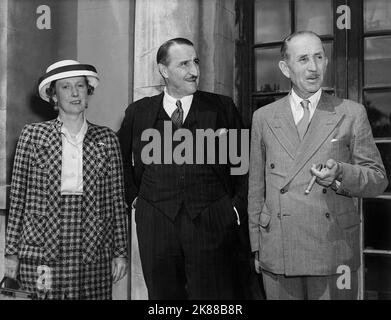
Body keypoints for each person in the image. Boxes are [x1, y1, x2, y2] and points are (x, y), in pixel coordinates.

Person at [248, 31, 388, 300]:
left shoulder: (351, 112)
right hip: (278, 251)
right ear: (285, 68)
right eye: (303, 59)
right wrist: (257, 246)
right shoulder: (263, 117)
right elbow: (256, 188)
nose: (313, 67)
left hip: (332, 250)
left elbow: (378, 179)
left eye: (319, 57)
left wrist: (340, 175)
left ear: (326, 62)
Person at [118, 38, 249, 299]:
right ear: (163, 71)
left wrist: (234, 208)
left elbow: (242, 163)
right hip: (156, 222)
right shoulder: (138, 112)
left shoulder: (222, 107)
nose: (195, 71)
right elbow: (119, 159)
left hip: (211, 221)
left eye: (196, 62)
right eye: (184, 64)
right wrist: (135, 200)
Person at [4, 60, 128, 299]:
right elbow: (18, 197)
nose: (74, 93)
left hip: (94, 242)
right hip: (41, 241)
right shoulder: (32, 135)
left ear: (88, 92)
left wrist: (120, 252)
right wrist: (11, 252)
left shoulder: (107, 138)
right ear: (53, 96)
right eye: (65, 87)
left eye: (80, 86)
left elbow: (116, 199)